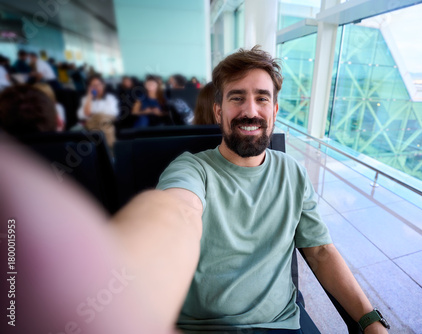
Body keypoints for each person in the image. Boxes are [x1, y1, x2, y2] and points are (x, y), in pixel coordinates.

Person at [144, 46, 388, 332]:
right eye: (237, 98)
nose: (250, 111)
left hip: (280, 325)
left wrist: (370, 321)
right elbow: (178, 211)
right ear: (218, 110)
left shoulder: (292, 172)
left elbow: (320, 251)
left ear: (273, 110)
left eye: (262, 98)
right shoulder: (191, 169)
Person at [76, 74, 119, 147]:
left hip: (105, 121)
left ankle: (108, 151)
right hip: (92, 124)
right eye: (93, 85)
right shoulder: (86, 99)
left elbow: (113, 113)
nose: (97, 87)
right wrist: (89, 97)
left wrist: (95, 115)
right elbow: (82, 115)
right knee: (105, 127)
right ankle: (109, 153)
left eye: (99, 85)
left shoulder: (110, 98)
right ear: (89, 88)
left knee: (104, 123)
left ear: (103, 85)